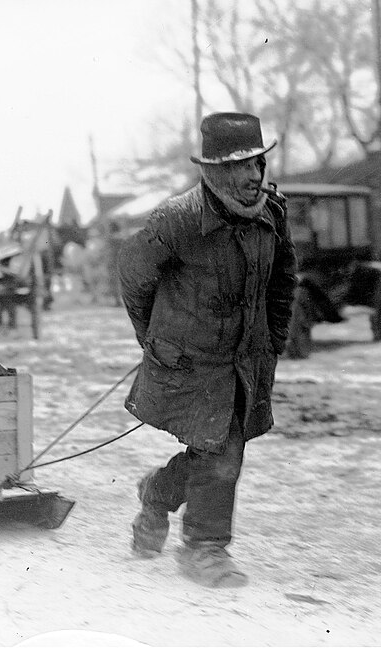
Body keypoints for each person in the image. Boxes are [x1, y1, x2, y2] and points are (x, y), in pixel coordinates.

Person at [117, 112, 297, 589]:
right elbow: (134, 279)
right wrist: (153, 339)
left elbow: (283, 281)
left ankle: (156, 493)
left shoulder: (271, 216)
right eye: (238, 167)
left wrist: (274, 342)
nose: (253, 176)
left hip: (243, 363)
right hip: (190, 364)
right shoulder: (176, 221)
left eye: (257, 163)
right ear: (212, 172)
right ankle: (204, 549)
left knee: (213, 451)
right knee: (221, 456)